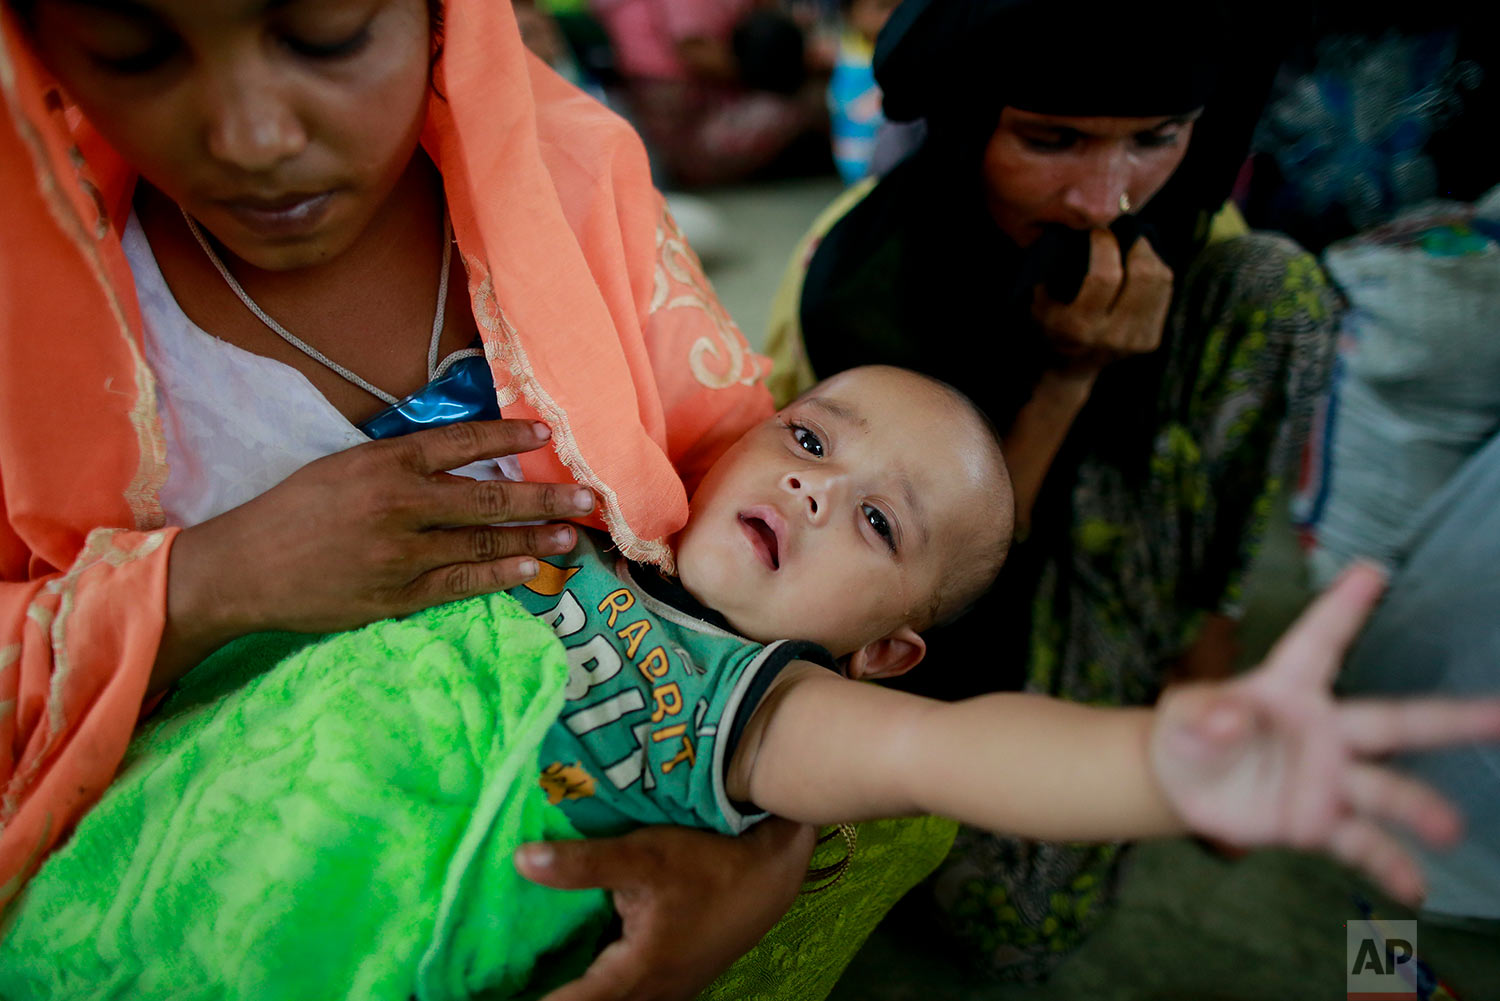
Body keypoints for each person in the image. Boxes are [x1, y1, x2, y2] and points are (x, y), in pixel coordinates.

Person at [5, 365, 1492, 1000]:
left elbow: (962, 756)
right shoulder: (582, 503)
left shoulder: (753, 708)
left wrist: (1171, 764)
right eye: (814, 436)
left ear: (884, 648)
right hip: (135, 854)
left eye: (884, 525)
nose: (822, 487)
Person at [0, 1, 823, 998]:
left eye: (327, 36)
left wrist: (768, 848)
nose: (253, 136)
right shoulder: (32, 302)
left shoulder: (577, 189)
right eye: (133, 51)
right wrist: (203, 583)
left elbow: (772, 529)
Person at [762, 0, 1343, 979]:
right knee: (1016, 919)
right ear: (970, 120)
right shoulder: (868, 283)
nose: (1106, 198)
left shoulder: (1197, 233)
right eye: (1052, 140)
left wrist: (1205, 620)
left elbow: (1221, 435)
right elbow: (929, 589)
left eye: (1155, 138)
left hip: (1135, 513)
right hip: (970, 585)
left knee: (1281, 289)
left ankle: (1206, 640)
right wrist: (1068, 379)